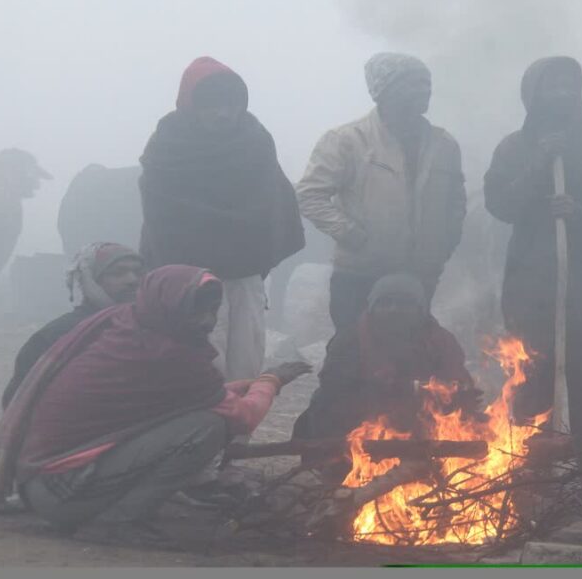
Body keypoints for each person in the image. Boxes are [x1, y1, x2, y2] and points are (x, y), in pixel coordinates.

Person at [0, 265, 311, 548]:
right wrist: (270, 381)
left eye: (212, 310)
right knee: (209, 426)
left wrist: (244, 386)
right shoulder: (168, 353)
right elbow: (243, 418)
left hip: (39, 484)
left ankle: (112, 512)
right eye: (197, 310)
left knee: (201, 414)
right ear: (171, 306)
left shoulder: (127, 325)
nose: (207, 321)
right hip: (62, 494)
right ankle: (116, 523)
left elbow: (187, 396)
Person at [483, 56, 582, 500]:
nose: (561, 94)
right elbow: (500, 204)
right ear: (531, 95)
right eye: (550, 86)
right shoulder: (513, 148)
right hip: (531, 289)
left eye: (569, 84)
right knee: (531, 380)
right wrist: (539, 165)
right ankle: (532, 473)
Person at [139, 56, 304, 384]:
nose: (223, 114)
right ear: (191, 104)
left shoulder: (255, 141)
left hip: (244, 275)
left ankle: (237, 431)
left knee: (245, 359)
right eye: (211, 105)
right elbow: (164, 215)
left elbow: (274, 202)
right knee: (196, 361)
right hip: (187, 279)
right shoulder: (168, 147)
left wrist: (256, 250)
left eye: (231, 104)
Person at [296, 53, 467, 332]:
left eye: (426, 83)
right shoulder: (347, 140)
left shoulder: (444, 144)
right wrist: (351, 234)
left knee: (413, 356)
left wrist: (446, 242)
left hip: (421, 274)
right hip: (360, 273)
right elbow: (309, 195)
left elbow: (456, 201)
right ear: (384, 91)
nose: (424, 90)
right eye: (412, 83)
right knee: (354, 356)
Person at [292, 274, 482, 482]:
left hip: (419, 424)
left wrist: (456, 395)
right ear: (372, 307)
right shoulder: (350, 339)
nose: (394, 310)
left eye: (404, 303)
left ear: (420, 309)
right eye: (386, 302)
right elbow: (334, 388)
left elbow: (455, 382)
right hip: (358, 423)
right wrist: (393, 389)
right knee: (321, 405)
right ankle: (338, 472)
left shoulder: (440, 341)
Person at [2, 242, 143, 409]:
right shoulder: (58, 335)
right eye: (118, 273)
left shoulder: (151, 329)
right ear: (91, 281)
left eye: (139, 273)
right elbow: (18, 402)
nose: (133, 280)